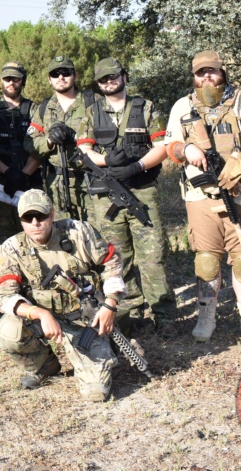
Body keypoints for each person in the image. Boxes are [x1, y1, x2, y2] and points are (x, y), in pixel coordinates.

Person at [164, 50, 241, 345]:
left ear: (223, 72)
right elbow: (170, 145)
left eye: (212, 70)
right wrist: (186, 150)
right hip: (200, 196)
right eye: (200, 72)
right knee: (207, 261)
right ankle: (206, 315)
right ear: (193, 76)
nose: (206, 76)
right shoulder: (182, 106)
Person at [0, 190, 125, 402]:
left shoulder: (78, 232)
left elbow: (112, 262)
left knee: (96, 393)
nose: (35, 223)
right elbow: (4, 297)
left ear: (52, 214)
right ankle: (44, 364)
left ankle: (101, 351)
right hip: (42, 321)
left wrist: (110, 304)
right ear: (21, 221)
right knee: (9, 331)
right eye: (28, 218)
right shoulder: (10, 249)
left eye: (41, 216)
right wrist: (41, 314)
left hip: (84, 322)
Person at [79, 57, 178, 334]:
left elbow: (164, 146)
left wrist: (137, 166)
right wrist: (107, 161)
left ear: (124, 76)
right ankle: (131, 311)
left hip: (142, 190)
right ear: (98, 85)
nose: (109, 82)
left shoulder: (145, 107)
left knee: (154, 254)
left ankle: (164, 315)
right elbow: (83, 151)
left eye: (113, 76)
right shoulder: (92, 112)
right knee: (117, 256)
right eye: (103, 79)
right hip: (106, 194)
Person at [0, 61, 43, 244]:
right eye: (7, 79)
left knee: (34, 232)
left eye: (15, 79)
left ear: (22, 81)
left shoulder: (36, 110)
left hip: (29, 181)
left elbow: (42, 147)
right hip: (0, 182)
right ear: (1, 81)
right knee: (2, 236)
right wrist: (7, 172)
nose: (11, 83)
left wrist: (23, 175)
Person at [29, 56, 92, 221]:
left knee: (95, 237)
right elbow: (30, 142)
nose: (61, 77)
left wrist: (76, 137)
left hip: (90, 181)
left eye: (66, 72)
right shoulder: (44, 108)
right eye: (55, 74)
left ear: (75, 75)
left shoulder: (92, 102)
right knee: (63, 235)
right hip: (57, 185)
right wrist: (49, 140)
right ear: (50, 80)